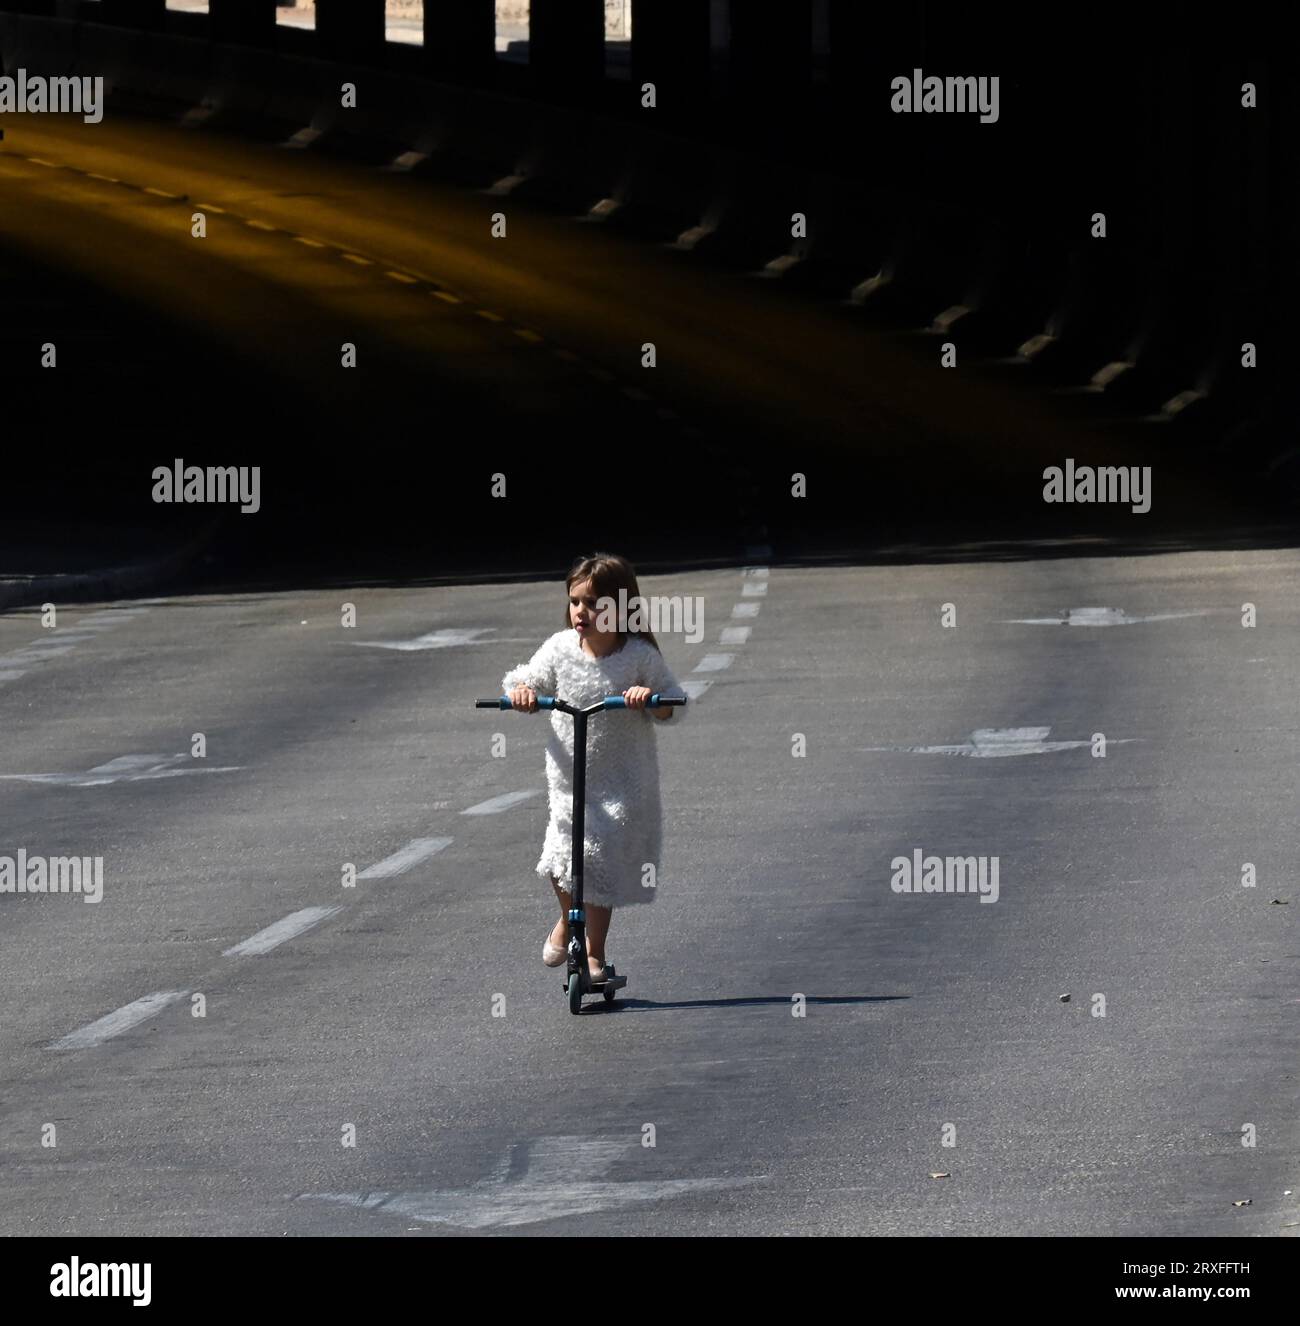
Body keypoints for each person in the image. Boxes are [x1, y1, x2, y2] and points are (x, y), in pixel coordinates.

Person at [501, 552, 687, 982]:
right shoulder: (560, 649)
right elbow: (523, 681)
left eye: (593, 603)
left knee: (596, 861)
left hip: (622, 781)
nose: (581, 612)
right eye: (575, 602)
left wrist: (650, 699)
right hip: (569, 778)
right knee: (559, 858)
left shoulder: (638, 657)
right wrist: (524, 693)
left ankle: (592, 953)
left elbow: (673, 704)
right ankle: (569, 921)